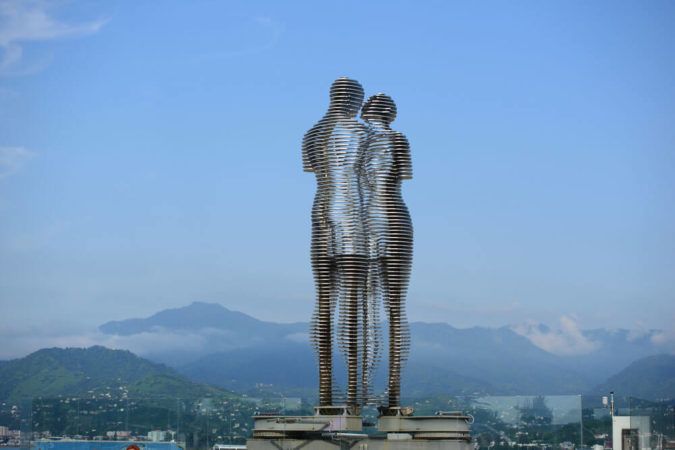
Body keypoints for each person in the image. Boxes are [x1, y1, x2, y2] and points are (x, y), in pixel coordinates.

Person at [302, 77, 369, 408]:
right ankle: (353, 397)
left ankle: (325, 394)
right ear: (354, 100)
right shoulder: (363, 133)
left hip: (319, 214)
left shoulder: (311, 134)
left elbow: (312, 170)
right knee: (353, 306)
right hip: (351, 216)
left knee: (324, 302)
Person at [360, 93, 413, 410]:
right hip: (396, 218)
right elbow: (403, 175)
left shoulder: (356, 140)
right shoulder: (399, 139)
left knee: (366, 306)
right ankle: (391, 393)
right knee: (395, 308)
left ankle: (364, 388)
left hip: (365, 219)